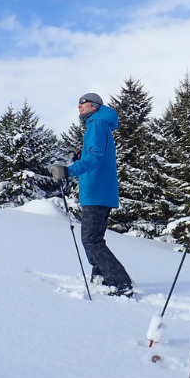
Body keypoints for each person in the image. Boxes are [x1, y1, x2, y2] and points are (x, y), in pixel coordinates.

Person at [50, 93, 133, 298]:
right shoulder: (99, 125)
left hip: (96, 190)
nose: (79, 105)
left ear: (94, 106)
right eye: (78, 102)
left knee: (91, 239)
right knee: (93, 238)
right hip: (99, 191)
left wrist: (68, 170)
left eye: (83, 102)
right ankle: (100, 277)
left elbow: (94, 158)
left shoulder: (96, 125)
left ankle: (121, 282)